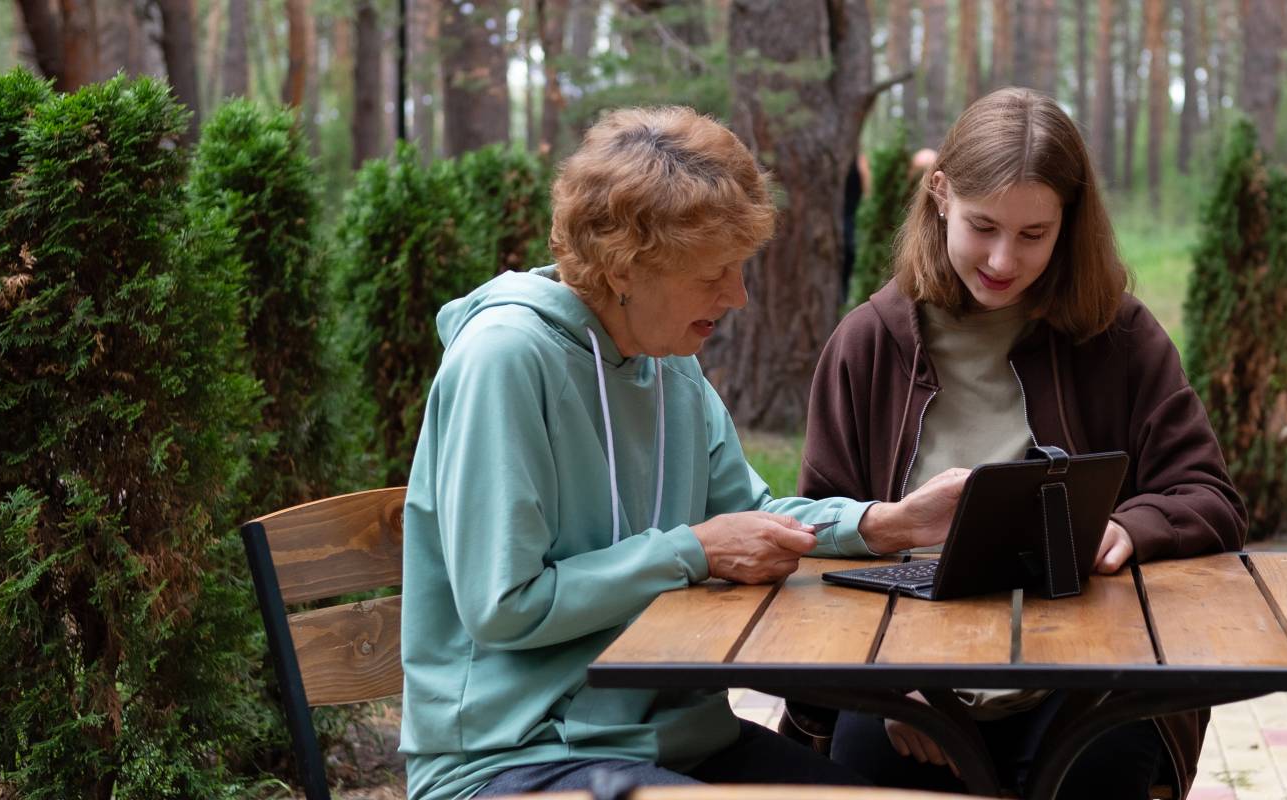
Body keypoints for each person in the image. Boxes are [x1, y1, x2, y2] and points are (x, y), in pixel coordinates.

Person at [398, 106, 971, 800]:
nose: (738, 296)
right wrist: (690, 551)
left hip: (676, 743)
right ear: (624, 267)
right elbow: (503, 606)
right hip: (514, 755)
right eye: (714, 275)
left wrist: (888, 524)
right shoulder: (506, 359)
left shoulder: (667, 357)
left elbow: (749, 515)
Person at [797, 88, 1249, 799]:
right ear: (940, 195)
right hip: (908, 677)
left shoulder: (1118, 335)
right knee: (868, 759)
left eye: (1034, 235)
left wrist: (1130, 527)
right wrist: (888, 682)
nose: (1004, 260)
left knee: (1103, 760)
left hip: (1087, 674)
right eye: (983, 226)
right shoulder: (868, 344)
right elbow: (819, 534)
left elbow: (1210, 497)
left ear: (1069, 224)